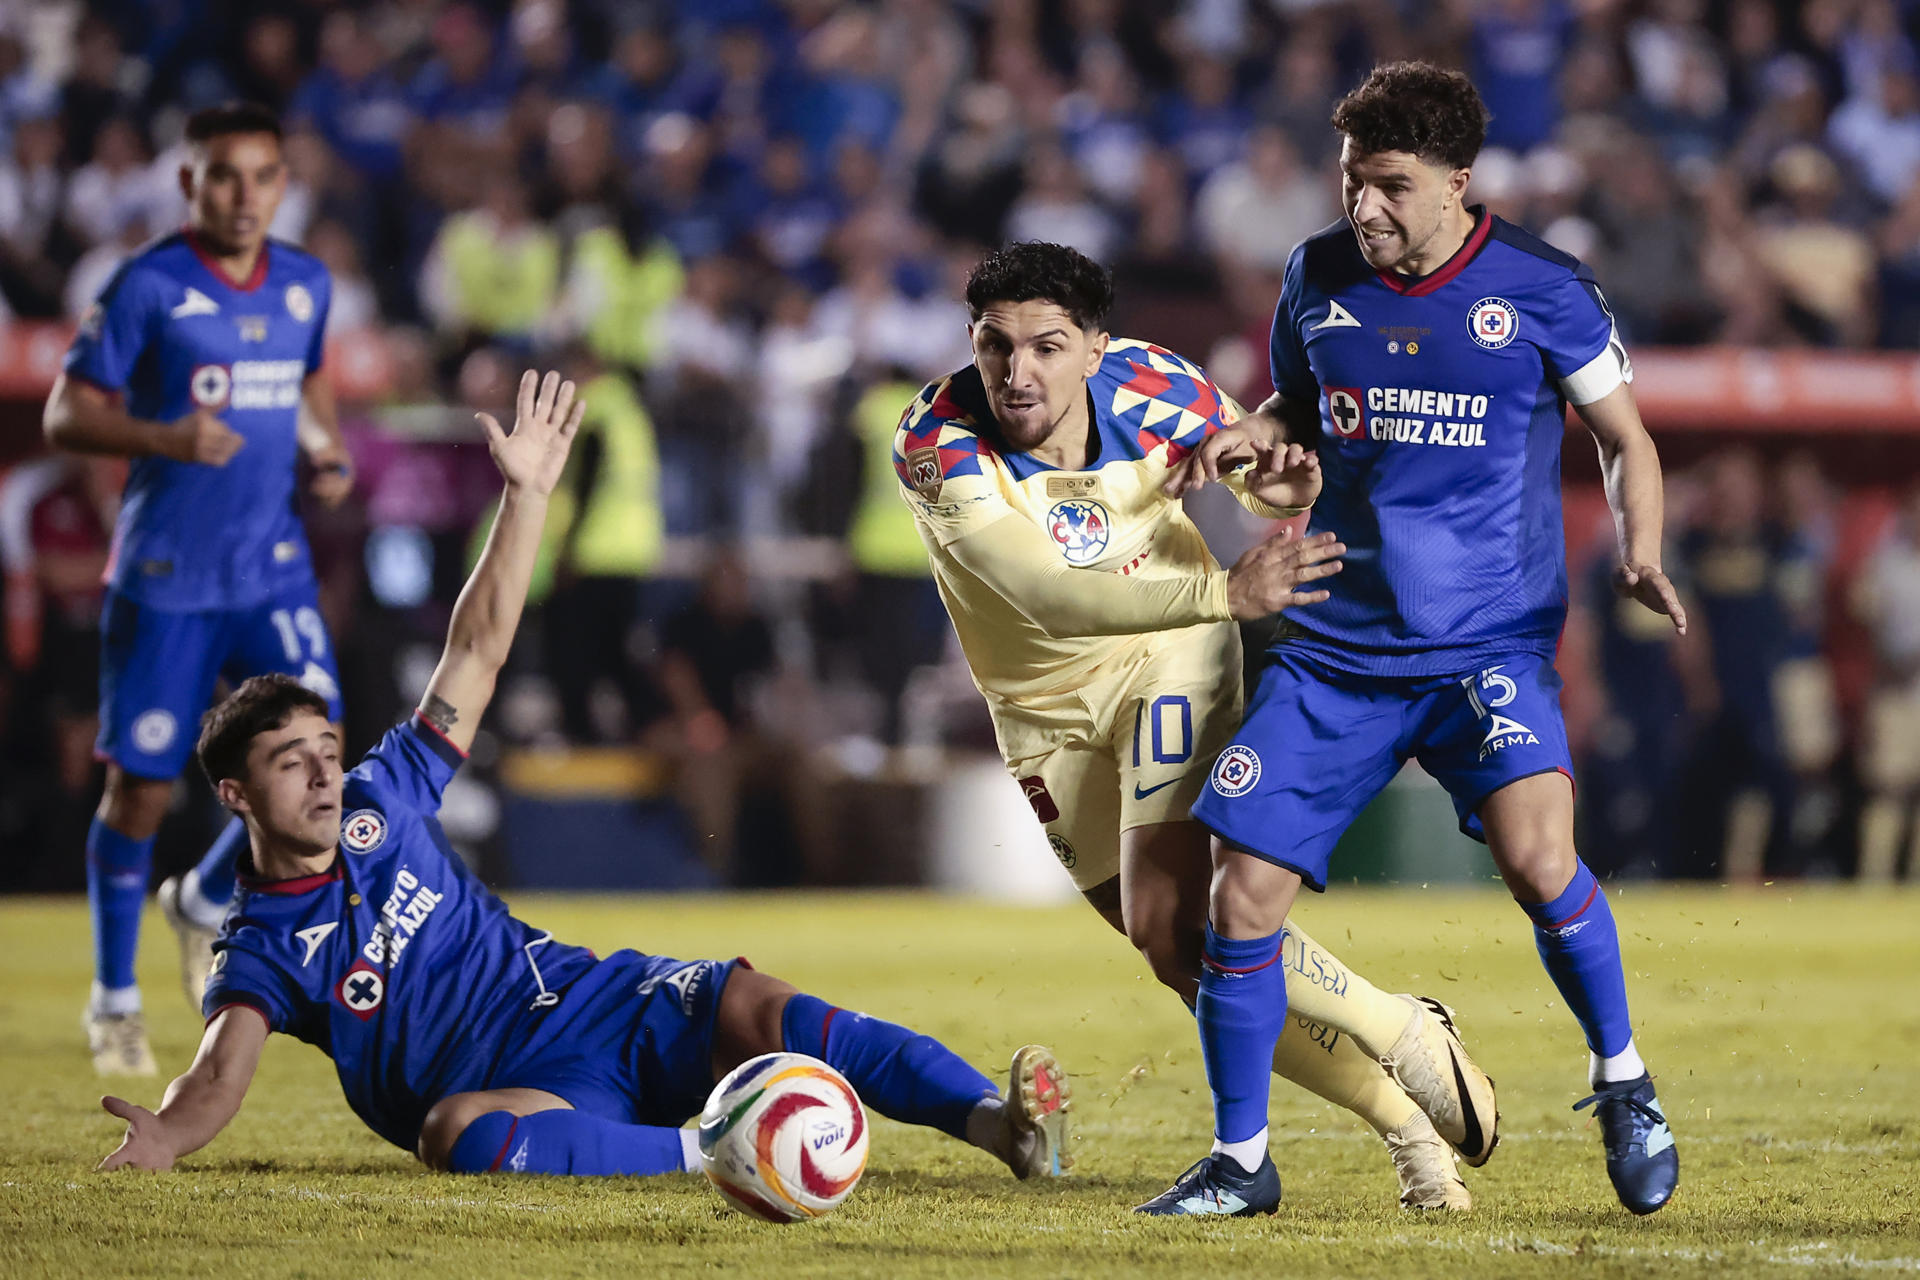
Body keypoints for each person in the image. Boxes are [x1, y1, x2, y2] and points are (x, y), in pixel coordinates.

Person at [94, 370, 1072, 1186]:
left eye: (322, 747)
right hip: (525, 1091)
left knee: (762, 1005)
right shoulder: (261, 942)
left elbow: (473, 655)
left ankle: (998, 1124)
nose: (320, 773)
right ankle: (709, 1150)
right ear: (236, 795)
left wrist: (526, 496)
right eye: (287, 761)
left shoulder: (382, 793)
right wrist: (168, 1135)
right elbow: (219, 1073)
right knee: (455, 1132)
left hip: (586, 1000)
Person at [1146, 62, 1684, 1218]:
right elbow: (1301, 407)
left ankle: (1625, 1080)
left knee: (1544, 864)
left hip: (1485, 640)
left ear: (1457, 183)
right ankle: (1242, 1161)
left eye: (1391, 184)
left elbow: (1625, 437)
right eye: (1353, 182)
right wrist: (1249, 438)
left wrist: (1642, 549)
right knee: (1240, 899)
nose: (1366, 208)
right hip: (1338, 639)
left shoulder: (1542, 288)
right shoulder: (1316, 273)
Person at [893, 241, 1498, 1212]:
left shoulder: (1157, 381)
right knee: (1180, 953)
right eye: (995, 344)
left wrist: (1288, 483)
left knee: (1170, 915)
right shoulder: (936, 437)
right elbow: (1045, 591)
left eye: (1047, 346)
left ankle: (1402, 1032)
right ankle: (1409, 1117)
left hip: (1175, 650)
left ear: (1095, 347)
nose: (1017, 371)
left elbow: (1264, 482)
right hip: (1046, 713)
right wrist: (1226, 582)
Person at [42, 101, 353, 1075]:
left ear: (283, 183)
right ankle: (113, 997)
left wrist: (326, 442)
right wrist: (164, 437)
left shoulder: (307, 283)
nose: (245, 195)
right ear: (189, 183)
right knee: (137, 789)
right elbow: (64, 414)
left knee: (324, 747)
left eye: (263, 176)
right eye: (224, 175)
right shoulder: (149, 284)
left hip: (269, 565)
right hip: (167, 575)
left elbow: (304, 380)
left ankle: (204, 895)